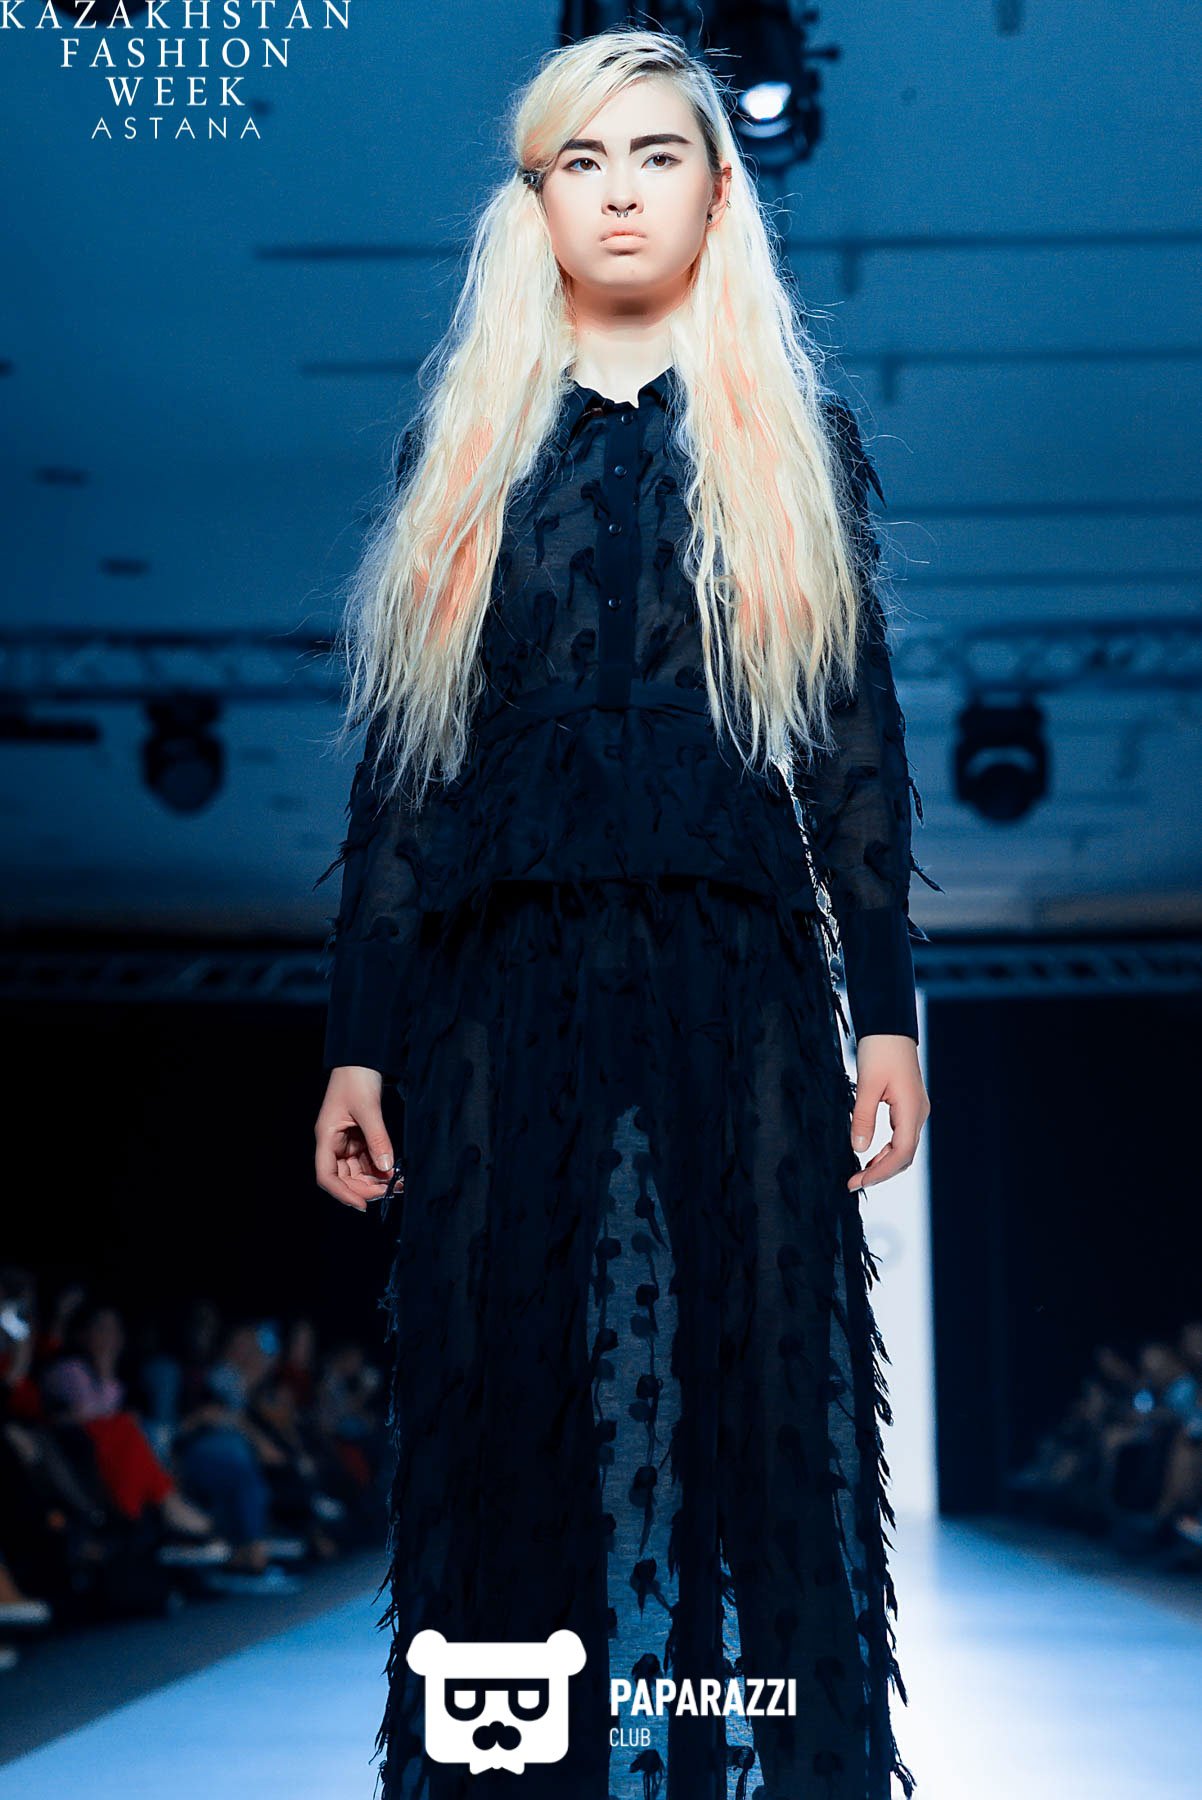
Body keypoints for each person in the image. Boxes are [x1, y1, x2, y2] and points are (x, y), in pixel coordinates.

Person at [313, 26, 935, 1800]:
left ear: (716, 193)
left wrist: (885, 1014)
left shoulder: (790, 440)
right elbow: (406, 774)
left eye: (655, 155)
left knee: (766, 1403)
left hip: (738, 973)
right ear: (535, 203)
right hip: (493, 985)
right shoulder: (464, 450)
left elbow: (852, 744)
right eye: (579, 162)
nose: (617, 194)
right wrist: (358, 1043)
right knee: (504, 1406)